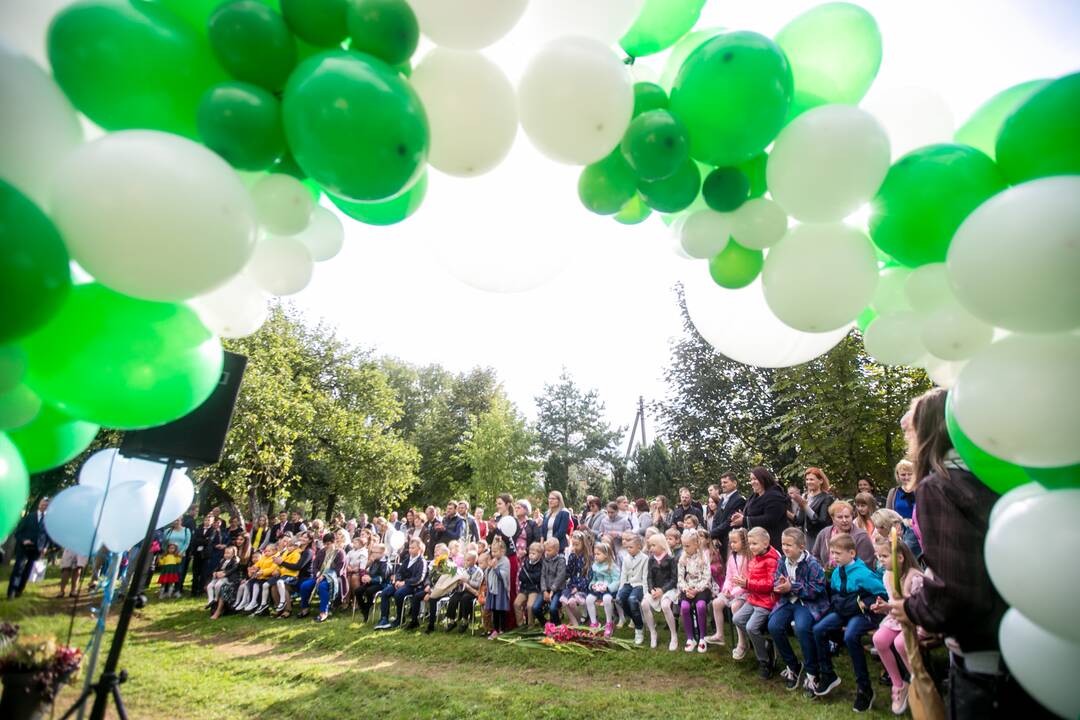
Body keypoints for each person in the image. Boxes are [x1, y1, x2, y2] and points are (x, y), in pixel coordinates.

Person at [883, 387, 1042, 718]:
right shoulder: (990, 481)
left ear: (930, 429)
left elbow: (958, 591)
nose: (907, 437)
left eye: (911, 428)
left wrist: (913, 608)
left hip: (983, 667)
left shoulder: (938, 486)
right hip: (1023, 652)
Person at [811, 533, 887, 712]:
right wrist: (843, 604)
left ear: (852, 553)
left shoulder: (863, 573)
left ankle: (864, 688)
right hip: (843, 611)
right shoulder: (837, 572)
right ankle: (828, 674)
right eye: (833, 553)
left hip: (862, 615)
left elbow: (882, 594)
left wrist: (863, 603)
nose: (835, 557)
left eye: (838, 553)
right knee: (818, 629)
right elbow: (835, 594)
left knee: (851, 636)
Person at [767, 528, 828, 694]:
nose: (785, 548)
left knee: (802, 629)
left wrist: (792, 587)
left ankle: (812, 672)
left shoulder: (812, 563)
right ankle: (793, 665)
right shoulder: (782, 561)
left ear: (801, 546)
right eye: (783, 544)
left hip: (807, 603)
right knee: (773, 626)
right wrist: (779, 585)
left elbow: (818, 588)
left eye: (789, 545)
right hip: (787, 601)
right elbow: (775, 580)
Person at [870, 535, 924, 715]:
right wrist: (883, 607)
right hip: (896, 618)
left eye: (884, 557)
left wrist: (890, 607)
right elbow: (893, 603)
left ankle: (920, 683)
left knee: (900, 643)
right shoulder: (888, 576)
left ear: (899, 558)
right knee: (879, 639)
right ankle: (899, 684)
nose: (880, 561)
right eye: (878, 557)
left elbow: (917, 608)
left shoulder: (915, 578)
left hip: (915, 620)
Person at [732, 527, 781, 679]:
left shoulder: (772, 561)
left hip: (766, 602)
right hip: (753, 599)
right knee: (737, 619)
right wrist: (743, 583)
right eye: (750, 543)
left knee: (751, 627)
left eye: (755, 544)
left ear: (766, 543)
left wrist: (747, 583)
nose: (751, 547)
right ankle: (764, 644)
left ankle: (765, 661)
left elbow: (770, 584)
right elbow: (753, 581)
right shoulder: (754, 560)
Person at [709, 528, 749, 652]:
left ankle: (742, 642)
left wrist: (733, 591)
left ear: (744, 541)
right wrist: (726, 588)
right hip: (731, 590)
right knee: (716, 603)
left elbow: (747, 580)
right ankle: (720, 635)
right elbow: (729, 577)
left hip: (745, 592)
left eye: (735, 542)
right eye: (730, 542)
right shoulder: (732, 557)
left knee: (735, 606)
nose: (732, 545)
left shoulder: (748, 558)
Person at [731, 467, 788, 551]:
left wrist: (744, 520)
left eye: (755, 479)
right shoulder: (754, 496)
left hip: (771, 542)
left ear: (763, 479)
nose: (752, 482)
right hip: (756, 541)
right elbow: (752, 514)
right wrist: (742, 516)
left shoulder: (775, 496)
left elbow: (771, 519)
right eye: (751, 479)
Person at [375, 537, 426, 630]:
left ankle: (400, 618)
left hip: (413, 586)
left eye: (413, 548)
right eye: (410, 547)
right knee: (385, 592)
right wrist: (397, 580)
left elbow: (419, 578)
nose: (410, 550)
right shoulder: (407, 559)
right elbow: (399, 572)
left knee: (399, 594)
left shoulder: (421, 561)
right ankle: (384, 618)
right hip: (401, 583)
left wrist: (405, 582)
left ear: (419, 549)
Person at [810, 500, 876, 569]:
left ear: (852, 516)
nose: (844, 520)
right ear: (833, 518)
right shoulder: (824, 533)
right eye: (840, 517)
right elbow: (815, 556)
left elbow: (866, 563)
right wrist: (822, 571)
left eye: (847, 516)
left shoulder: (861, 536)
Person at [487, 494, 520, 630]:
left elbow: (511, 540)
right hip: (496, 558)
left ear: (507, 504)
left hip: (509, 559)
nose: (497, 506)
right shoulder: (497, 519)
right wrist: (491, 531)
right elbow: (491, 540)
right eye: (497, 503)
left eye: (500, 503)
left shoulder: (512, 520)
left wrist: (498, 531)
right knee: (497, 589)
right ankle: (498, 625)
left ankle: (510, 623)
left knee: (508, 589)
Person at [7, 497, 49, 600]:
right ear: (39, 504)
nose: (44, 506)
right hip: (24, 547)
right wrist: (24, 540)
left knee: (28, 570)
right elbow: (18, 533)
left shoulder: (48, 521)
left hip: (37, 549)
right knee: (18, 568)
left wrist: (45, 547)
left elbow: (48, 536)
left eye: (46, 505)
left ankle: (19, 591)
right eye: (43, 504)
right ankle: (11, 592)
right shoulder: (29, 517)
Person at [642, 533, 678, 650]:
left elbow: (674, 579)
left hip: (668, 589)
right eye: (649, 545)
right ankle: (653, 632)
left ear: (662, 546)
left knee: (665, 605)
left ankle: (673, 634)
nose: (650, 548)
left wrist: (662, 590)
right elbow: (649, 577)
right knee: (644, 604)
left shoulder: (670, 559)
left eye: (653, 545)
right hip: (655, 589)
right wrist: (651, 589)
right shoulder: (651, 559)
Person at [677, 529, 711, 653]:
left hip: (701, 588)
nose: (685, 548)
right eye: (683, 545)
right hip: (688, 588)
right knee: (685, 607)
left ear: (696, 544)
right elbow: (680, 578)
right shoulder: (682, 559)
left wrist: (696, 590)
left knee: (700, 606)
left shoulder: (704, 557)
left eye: (687, 545)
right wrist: (686, 589)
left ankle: (702, 638)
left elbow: (707, 577)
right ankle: (690, 638)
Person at [298, 532, 344, 623]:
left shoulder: (340, 553)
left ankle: (323, 612)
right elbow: (315, 565)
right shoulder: (322, 552)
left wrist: (325, 576)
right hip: (319, 576)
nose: (326, 546)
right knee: (304, 585)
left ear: (334, 542)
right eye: (324, 544)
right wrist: (318, 573)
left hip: (332, 578)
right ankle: (305, 608)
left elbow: (338, 570)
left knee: (322, 586)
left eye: (328, 544)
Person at [790, 467, 835, 547]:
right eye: (807, 479)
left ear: (820, 481)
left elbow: (822, 522)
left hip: (821, 540)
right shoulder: (805, 496)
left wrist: (805, 506)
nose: (808, 482)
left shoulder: (827, 498)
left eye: (811, 479)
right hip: (806, 540)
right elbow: (799, 521)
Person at [886, 459, 922, 557]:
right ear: (898, 475)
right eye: (903, 474)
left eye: (909, 474)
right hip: (898, 531)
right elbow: (888, 514)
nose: (906, 477)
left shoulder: (921, 490)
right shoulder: (893, 492)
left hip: (917, 530)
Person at [616, 533, 647, 645]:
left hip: (639, 584)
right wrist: (620, 589)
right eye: (627, 547)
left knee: (632, 600)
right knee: (619, 599)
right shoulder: (626, 558)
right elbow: (623, 575)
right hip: (628, 584)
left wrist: (646, 592)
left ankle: (639, 629)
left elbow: (645, 576)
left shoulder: (645, 558)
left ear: (639, 547)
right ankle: (635, 618)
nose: (628, 549)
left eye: (631, 547)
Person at [585, 542, 620, 635]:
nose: (595, 556)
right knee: (588, 599)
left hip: (608, 589)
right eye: (595, 554)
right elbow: (594, 579)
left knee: (606, 599)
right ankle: (594, 623)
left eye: (598, 554)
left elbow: (617, 580)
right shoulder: (595, 565)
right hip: (598, 588)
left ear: (606, 555)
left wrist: (608, 587)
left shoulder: (611, 566)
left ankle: (609, 622)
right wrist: (592, 585)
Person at [422, 544, 458, 633]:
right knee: (417, 595)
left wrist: (430, 592)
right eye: (436, 554)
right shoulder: (436, 564)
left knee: (432, 599)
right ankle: (414, 620)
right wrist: (429, 588)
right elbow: (431, 578)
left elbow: (449, 583)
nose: (436, 555)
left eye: (439, 554)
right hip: (433, 589)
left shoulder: (452, 566)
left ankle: (431, 625)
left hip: (446, 591)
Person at [710, 473, 746, 562]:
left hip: (730, 541)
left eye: (725, 482)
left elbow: (729, 522)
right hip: (719, 542)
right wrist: (714, 537)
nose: (722, 485)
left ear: (734, 483)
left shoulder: (739, 500)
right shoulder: (722, 499)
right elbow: (716, 518)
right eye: (721, 483)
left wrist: (711, 534)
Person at [446, 550, 484, 633]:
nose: (466, 562)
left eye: (468, 560)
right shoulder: (464, 570)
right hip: (463, 589)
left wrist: (468, 581)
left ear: (474, 561)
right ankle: (452, 620)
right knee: (454, 598)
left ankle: (465, 621)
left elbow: (478, 584)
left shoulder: (479, 572)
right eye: (465, 560)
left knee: (465, 599)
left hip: (472, 592)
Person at [560, 531, 591, 625]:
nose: (574, 547)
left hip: (583, 586)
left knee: (572, 602)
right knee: (564, 601)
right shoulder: (572, 556)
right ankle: (575, 622)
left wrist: (578, 588)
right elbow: (568, 572)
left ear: (583, 544)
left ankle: (579, 621)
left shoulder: (587, 558)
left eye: (577, 544)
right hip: (572, 584)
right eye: (573, 544)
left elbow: (588, 577)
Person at [239, 544, 279, 614]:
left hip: (267, 578)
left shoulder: (275, 558)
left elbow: (272, 569)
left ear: (274, 551)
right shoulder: (264, 558)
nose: (266, 553)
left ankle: (254, 601)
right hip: (261, 577)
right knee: (249, 583)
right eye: (265, 551)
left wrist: (262, 572)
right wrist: (252, 569)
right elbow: (257, 564)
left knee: (256, 585)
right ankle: (246, 601)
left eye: (268, 551)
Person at [485, 539, 511, 639]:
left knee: (501, 610)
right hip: (493, 589)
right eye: (492, 551)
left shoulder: (505, 561)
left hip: (501, 589)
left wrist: (495, 568)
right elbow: (487, 573)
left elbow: (503, 576)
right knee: (495, 610)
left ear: (502, 551)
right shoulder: (493, 560)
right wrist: (490, 567)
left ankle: (503, 629)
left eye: (495, 551)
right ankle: (495, 629)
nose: (493, 553)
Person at [536, 538, 566, 624]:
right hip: (546, 589)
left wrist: (552, 590)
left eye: (549, 550)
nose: (547, 552)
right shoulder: (545, 560)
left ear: (556, 550)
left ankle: (557, 625)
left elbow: (560, 577)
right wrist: (544, 590)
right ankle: (546, 624)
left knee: (553, 608)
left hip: (557, 590)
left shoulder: (561, 561)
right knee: (535, 608)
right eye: (546, 550)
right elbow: (543, 576)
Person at [356, 544, 389, 623]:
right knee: (358, 591)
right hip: (371, 582)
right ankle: (364, 608)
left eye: (375, 552)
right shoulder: (374, 562)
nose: (373, 554)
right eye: (372, 552)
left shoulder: (386, 563)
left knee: (369, 591)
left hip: (381, 584)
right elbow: (370, 572)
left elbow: (382, 578)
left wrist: (371, 579)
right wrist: (366, 577)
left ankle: (368, 606)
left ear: (382, 553)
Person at [207, 546, 242, 620]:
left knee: (218, 585)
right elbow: (218, 567)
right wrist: (215, 572)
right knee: (209, 586)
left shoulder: (234, 561)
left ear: (233, 554)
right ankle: (210, 601)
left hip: (227, 578)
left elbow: (233, 569)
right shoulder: (222, 560)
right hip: (218, 576)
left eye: (228, 553)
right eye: (225, 553)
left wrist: (224, 574)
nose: (226, 555)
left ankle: (216, 599)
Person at [515, 542, 543, 627]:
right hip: (524, 588)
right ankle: (520, 624)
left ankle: (531, 626)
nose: (531, 555)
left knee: (530, 606)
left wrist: (529, 576)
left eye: (534, 554)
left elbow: (538, 577)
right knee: (516, 603)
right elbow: (521, 576)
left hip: (534, 589)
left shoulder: (541, 564)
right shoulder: (526, 562)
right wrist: (529, 576)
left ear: (539, 554)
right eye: (530, 553)